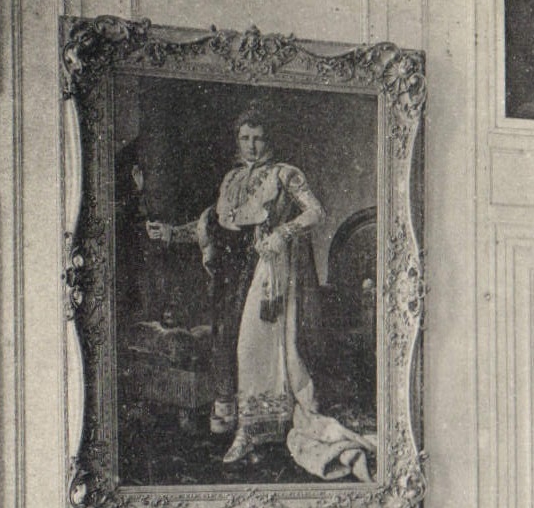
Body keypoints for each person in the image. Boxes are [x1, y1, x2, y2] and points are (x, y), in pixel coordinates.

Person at [148, 105, 375, 478]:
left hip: (266, 273)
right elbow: (214, 222)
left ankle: (253, 430)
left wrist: (281, 234)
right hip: (230, 275)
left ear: (269, 139)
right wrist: (171, 232)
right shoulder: (231, 179)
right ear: (237, 140)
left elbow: (315, 212)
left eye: (258, 138)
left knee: (252, 348)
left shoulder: (285, 174)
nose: (251, 146)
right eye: (245, 138)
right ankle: (238, 421)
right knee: (229, 342)